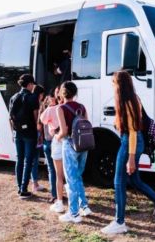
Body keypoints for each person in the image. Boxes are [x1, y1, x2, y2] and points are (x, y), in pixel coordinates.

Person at [101, 71, 155, 235]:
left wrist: (131, 158)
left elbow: (132, 131)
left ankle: (119, 222)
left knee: (119, 182)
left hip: (130, 143)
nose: (112, 86)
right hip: (134, 141)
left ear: (119, 85)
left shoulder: (127, 101)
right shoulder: (134, 98)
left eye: (113, 83)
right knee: (134, 180)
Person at [55, 81, 92, 223]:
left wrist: (57, 137)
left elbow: (64, 131)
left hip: (70, 144)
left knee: (71, 179)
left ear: (62, 94)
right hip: (84, 144)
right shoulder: (82, 107)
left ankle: (74, 213)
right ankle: (84, 206)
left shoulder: (61, 108)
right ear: (75, 93)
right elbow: (87, 124)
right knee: (77, 176)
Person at [9, 74, 39, 198]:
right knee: (28, 161)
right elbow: (36, 117)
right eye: (33, 84)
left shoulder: (14, 97)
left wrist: (13, 132)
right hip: (29, 133)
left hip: (17, 132)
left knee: (19, 159)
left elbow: (11, 117)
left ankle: (19, 188)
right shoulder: (33, 97)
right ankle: (24, 189)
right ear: (30, 84)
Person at [40, 86, 65, 212]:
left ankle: (55, 195)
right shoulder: (62, 108)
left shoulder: (48, 110)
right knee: (63, 171)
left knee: (52, 171)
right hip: (61, 142)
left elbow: (41, 123)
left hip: (50, 142)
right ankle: (61, 194)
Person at [31, 84, 45, 192]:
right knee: (34, 159)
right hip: (35, 134)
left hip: (26, 133)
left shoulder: (26, 100)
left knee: (28, 160)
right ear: (40, 94)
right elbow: (38, 122)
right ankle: (35, 184)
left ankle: (31, 183)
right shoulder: (37, 104)